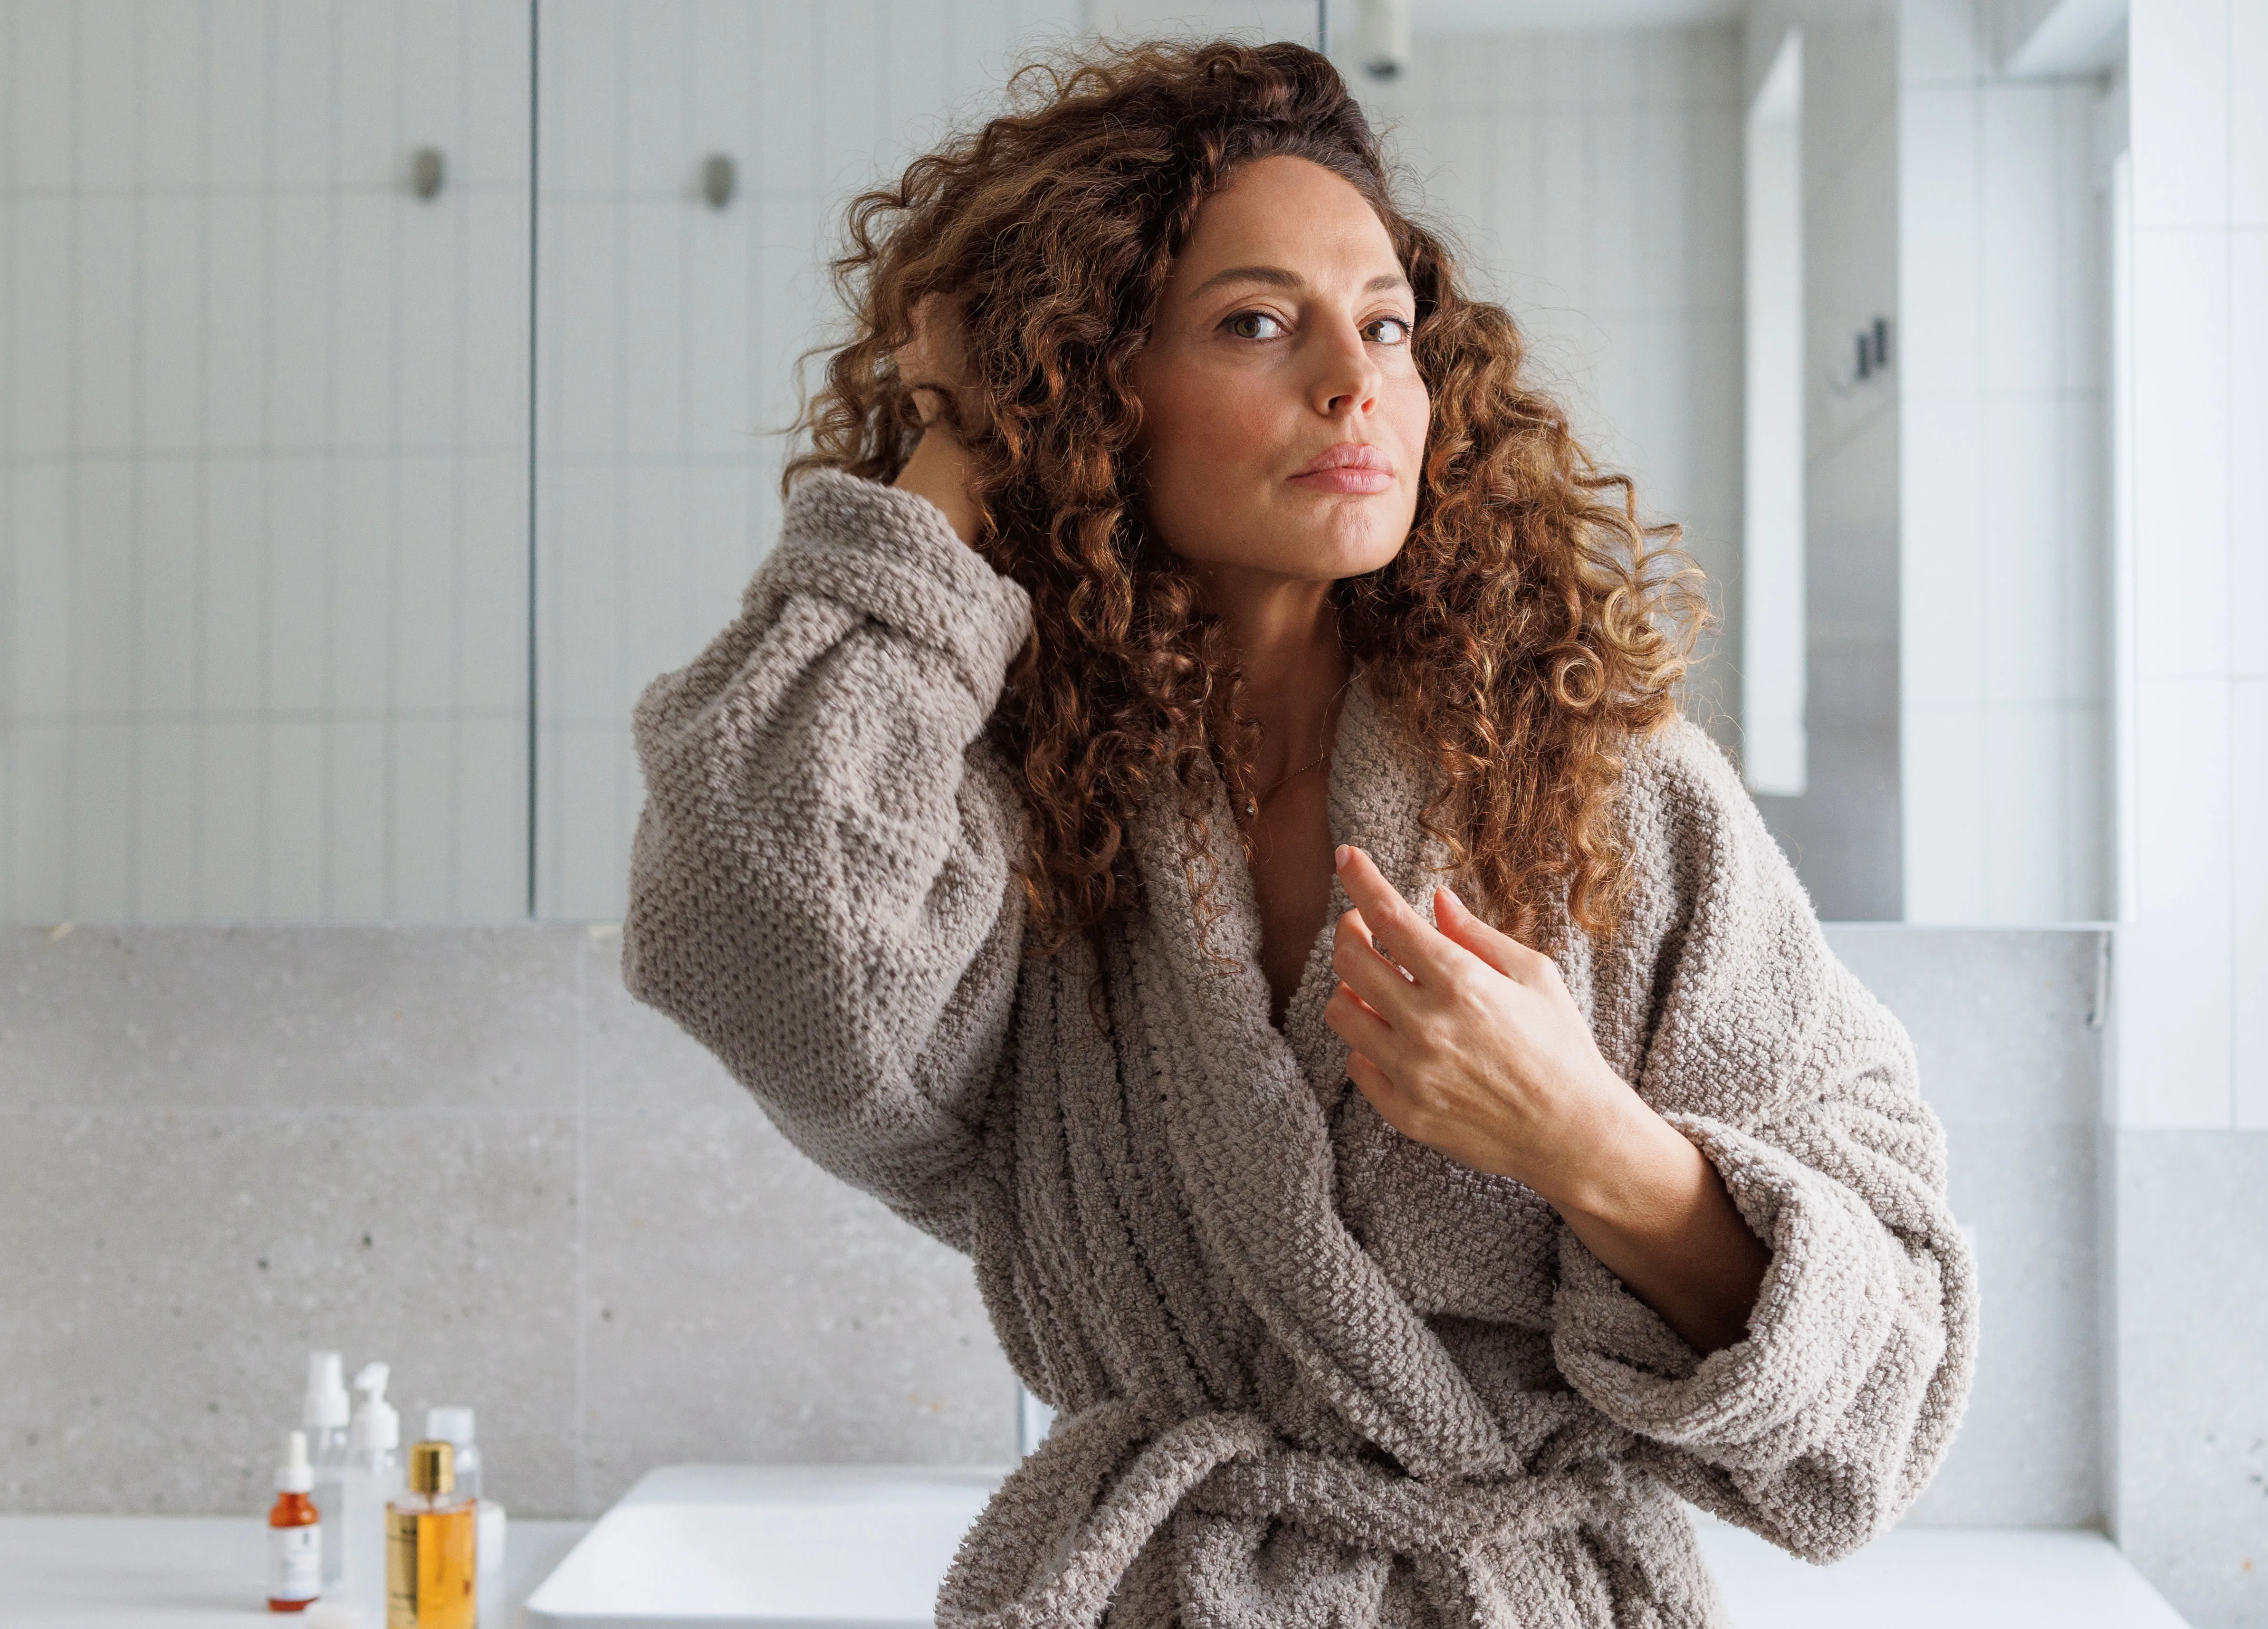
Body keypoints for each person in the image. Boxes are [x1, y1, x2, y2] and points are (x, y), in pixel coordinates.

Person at [622, 38, 1973, 1628]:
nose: (1354, 380)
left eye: (1387, 324)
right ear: (1091, 380)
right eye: (1257, 321)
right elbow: (763, 926)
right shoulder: (1009, 808)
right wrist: (959, 449)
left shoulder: (1594, 784)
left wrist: (1587, 1140)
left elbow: (1884, 1402)